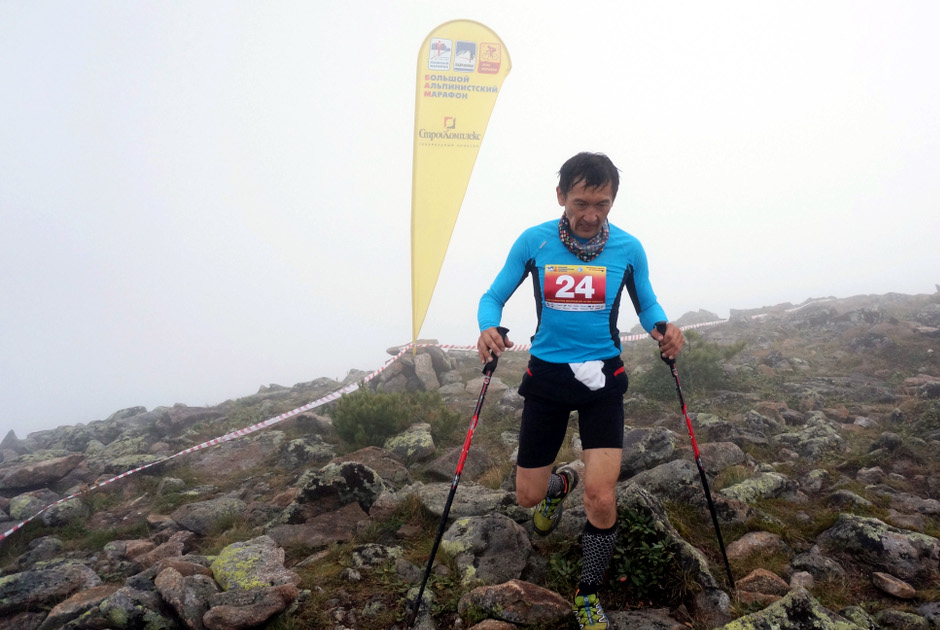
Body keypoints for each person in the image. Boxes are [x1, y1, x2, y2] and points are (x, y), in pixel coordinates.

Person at [476, 152, 684, 629]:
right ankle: (559, 485)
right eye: (581, 203)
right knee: (527, 497)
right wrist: (489, 326)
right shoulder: (534, 242)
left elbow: (647, 303)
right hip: (547, 378)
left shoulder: (628, 248)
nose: (591, 215)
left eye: (602, 204)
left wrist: (662, 327)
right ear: (561, 197)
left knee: (602, 498)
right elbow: (493, 296)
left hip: (603, 380)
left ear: (613, 201)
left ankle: (588, 593)